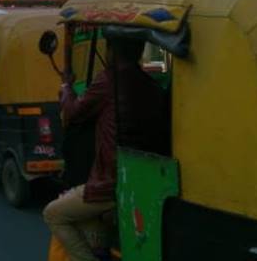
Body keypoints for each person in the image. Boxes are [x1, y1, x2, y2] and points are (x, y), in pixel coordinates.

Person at [42, 37, 168, 261]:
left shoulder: (109, 80)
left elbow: (73, 112)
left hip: (110, 183)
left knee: (53, 213)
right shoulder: (150, 84)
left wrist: (65, 87)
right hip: (140, 177)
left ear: (111, 51)